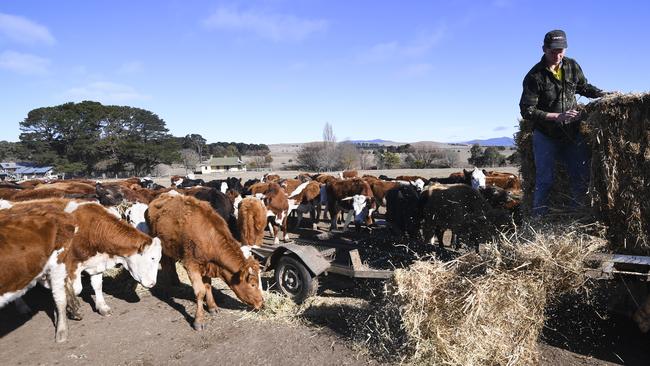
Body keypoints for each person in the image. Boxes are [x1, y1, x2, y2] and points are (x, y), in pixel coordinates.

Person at [520, 29, 611, 216]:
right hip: (546, 135)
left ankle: (580, 217)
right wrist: (556, 116)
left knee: (581, 178)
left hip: (572, 133)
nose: (557, 54)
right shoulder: (534, 76)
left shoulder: (572, 66)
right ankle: (538, 223)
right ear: (544, 49)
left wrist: (606, 95)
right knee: (545, 180)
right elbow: (527, 110)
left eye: (561, 50)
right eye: (553, 50)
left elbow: (584, 87)